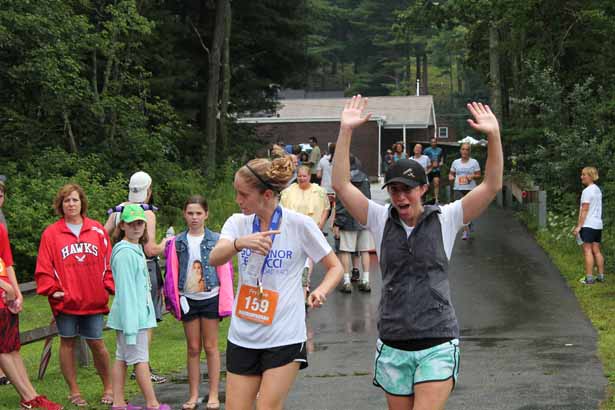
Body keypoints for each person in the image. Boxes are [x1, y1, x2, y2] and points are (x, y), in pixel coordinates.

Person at [332, 95, 502, 410]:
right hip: (394, 341)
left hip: (437, 339)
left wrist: (493, 136)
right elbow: (341, 184)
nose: (399, 197)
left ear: (423, 189)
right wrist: (345, 131)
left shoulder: (447, 218)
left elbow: (491, 186)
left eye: (406, 189)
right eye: (394, 190)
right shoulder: (379, 218)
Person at [208, 152, 343, 410]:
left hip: (284, 334)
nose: (238, 200)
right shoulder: (238, 223)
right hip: (243, 335)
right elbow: (215, 258)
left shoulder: (299, 225)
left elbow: (334, 267)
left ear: (267, 195)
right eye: (236, 192)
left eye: (243, 194)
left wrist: (321, 290)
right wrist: (240, 243)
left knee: (267, 407)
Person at [35, 183, 114, 407]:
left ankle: (109, 387)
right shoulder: (51, 233)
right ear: (61, 205)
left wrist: (107, 285)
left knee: (97, 343)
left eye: (75, 200)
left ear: (82, 203)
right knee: (67, 343)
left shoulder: (97, 230)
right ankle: (74, 391)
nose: (71, 204)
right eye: (66, 200)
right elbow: (44, 266)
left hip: (93, 299)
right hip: (66, 301)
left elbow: (109, 262)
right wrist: (53, 290)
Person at [104, 171, 169, 384]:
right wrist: (167, 243)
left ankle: (134, 368)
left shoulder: (120, 209)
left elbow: (103, 234)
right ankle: (143, 366)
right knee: (146, 319)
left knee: (129, 315)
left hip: (123, 265)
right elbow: (150, 249)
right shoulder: (146, 213)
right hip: (143, 266)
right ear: (149, 190)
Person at [108, 205, 171, 410]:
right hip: (132, 319)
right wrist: (131, 327)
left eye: (140, 223)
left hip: (136, 316)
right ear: (123, 225)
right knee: (140, 360)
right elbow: (126, 293)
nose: (136, 227)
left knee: (122, 358)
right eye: (132, 223)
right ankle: (152, 404)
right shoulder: (125, 253)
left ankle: (118, 402)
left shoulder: (134, 249)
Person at [0, 222, 63, 410]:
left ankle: (32, 395)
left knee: (12, 348)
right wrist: (6, 287)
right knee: (3, 348)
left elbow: (7, 262)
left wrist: (17, 293)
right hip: (3, 291)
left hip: (6, 297)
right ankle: (28, 398)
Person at [174, 195, 224, 410]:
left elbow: (225, 267)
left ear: (206, 215)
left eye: (198, 213)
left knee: (211, 346)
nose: (194, 218)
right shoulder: (177, 241)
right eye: (190, 213)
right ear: (184, 214)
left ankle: (213, 394)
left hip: (210, 296)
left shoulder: (216, 239)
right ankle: (193, 394)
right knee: (193, 348)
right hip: (188, 298)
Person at [281, 165, 330, 295]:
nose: (302, 178)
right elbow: (281, 209)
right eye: (299, 176)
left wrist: (321, 223)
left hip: (312, 228)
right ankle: (295, 280)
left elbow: (326, 207)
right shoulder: (288, 191)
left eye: (304, 176)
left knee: (309, 255)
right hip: (293, 229)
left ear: (309, 176)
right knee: (296, 254)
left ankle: (306, 281)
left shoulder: (319, 191)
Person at [335, 155, 374, 293]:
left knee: (345, 250)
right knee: (364, 250)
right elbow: (368, 198)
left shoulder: (343, 178)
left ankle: (346, 281)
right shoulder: (364, 177)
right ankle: (366, 280)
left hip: (347, 218)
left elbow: (341, 202)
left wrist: (337, 222)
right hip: (363, 218)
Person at [573, 167, 605, 284]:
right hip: (598, 225)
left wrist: (579, 226)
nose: (581, 177)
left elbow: (585, 210)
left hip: (588, 225)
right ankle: (601, 276)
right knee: (596, 250)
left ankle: (589, 278)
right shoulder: (597, 190)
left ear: (591, 176)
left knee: (587, 251)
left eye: (584, 175)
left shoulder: (587, 191)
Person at [448, 143, 481, 240]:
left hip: (470, 189)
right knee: (461, 211)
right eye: (463, 149)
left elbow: (479, 174)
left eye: (467, 149)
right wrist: (451, 176)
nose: (465, 151)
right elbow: (451, 173)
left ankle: (469, 222)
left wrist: (472, 176)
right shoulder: (455, 162)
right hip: (458, 188)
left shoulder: (474, 162)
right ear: (460, 151)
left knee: (469, 210)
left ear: (469, 151)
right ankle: (465, 231)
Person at [424, 138, 445, 203]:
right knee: (427, 185)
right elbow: (424, 158)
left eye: (434, 142)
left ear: (436, 142)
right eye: (432, 142)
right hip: (429, 169)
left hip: (436, 169)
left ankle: (436, 199)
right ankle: (426, 198)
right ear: (430, 143)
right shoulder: (427, 150)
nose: (433, 143)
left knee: (436, 182)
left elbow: (442, 157)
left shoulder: (440, 150)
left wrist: (441, 162)